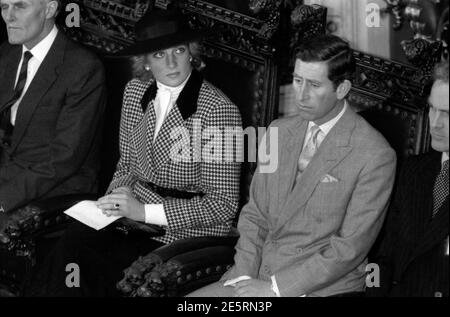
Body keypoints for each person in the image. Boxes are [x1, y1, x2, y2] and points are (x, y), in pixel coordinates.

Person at [25, 9, 242, 297]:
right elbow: (126, 164)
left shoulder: (219, 111)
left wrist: (144, 211)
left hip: (184, 234)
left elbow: (223, 204)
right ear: (146, 62)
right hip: (131, 221)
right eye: (159, 55)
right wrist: (115, 201)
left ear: (192, 52)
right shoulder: (135, 91)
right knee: (70, 248)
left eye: (179, 50)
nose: (172, 62)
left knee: (108, 273)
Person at [189, 35, 397, 297]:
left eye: (314, 85)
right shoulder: (278, 131)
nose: (301, 95)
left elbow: (349, 249)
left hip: (320, 289)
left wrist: (275, 289)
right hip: (254, 275)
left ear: (342, 89)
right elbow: (255, 215)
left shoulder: (375, 155)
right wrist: (244, 275)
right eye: (298, 81)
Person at [0, 0, 107, 235]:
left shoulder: (83, 68)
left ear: (49, 9)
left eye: (19, 6)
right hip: (9, 172)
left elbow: (65, 158)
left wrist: (4, 197)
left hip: (57, 190)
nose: (9, 16)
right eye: (3, 6)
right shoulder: (7, 54)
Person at [367, 61, 449, 297]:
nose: (435, 123)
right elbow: (383, 255)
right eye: (432, 109)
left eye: (447, 113)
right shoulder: (412, 170)